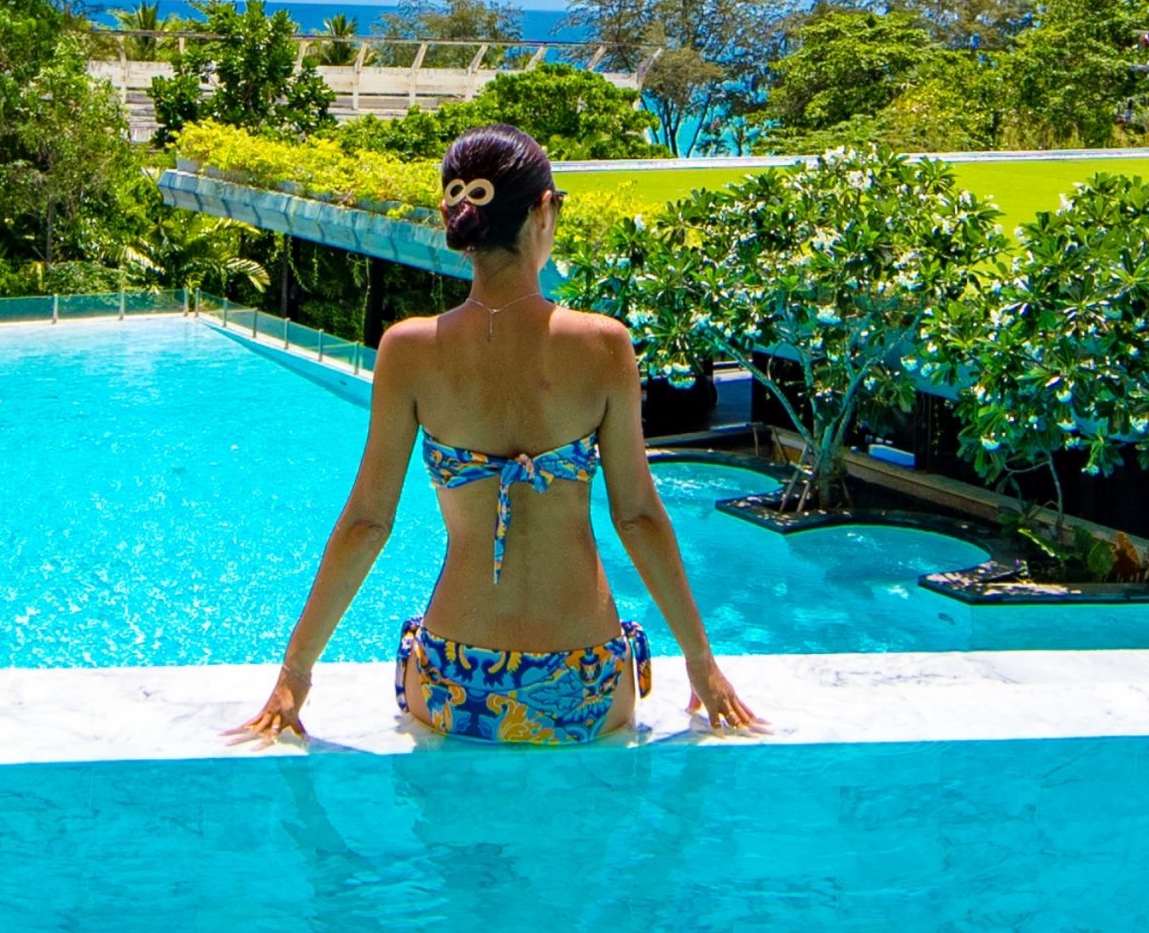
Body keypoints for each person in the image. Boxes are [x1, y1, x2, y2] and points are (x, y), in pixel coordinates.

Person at [235, 123, 764, 746]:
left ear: (453, 218)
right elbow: (638, 517)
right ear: (543, 211)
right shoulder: (603, 345)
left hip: (455, 680)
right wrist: (702, 663)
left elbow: (367, 524)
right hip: (586, 681)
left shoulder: (408, 351)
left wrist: (295, 675)